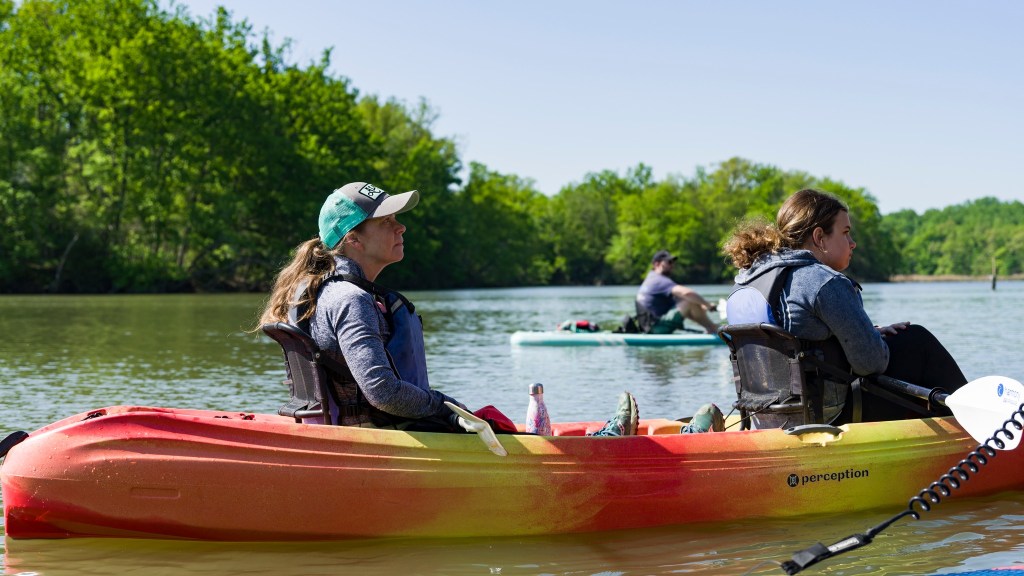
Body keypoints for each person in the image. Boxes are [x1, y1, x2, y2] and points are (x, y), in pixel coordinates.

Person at [258, 181, 639, 436]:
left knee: (481, 419)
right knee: (485, 423)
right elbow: (383, 394)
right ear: (353, 238)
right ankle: (607, 443)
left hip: (356, 434)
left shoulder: (318, 291)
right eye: (387, 221)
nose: (401, 228)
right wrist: (442, 404)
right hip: (384, 440)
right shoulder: (351, 300)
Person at [722, 188, 967, 423]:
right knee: (916, 340)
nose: (852, 243)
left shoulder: (746, 282)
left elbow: (800, 340)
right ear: (819, 237)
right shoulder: (824, 281)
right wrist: (873, 340)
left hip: (763, 416)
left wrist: (869, 333)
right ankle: (975, 430)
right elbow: (871, 364)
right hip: (825, 415)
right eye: (845, 232)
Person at [635, 250, 721, 334]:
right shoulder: (658, 280)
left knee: (689, 300)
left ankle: (711, 328)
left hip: (650, 327)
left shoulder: (651, 278)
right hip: (656, 328)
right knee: (689, 300)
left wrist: (702, 307)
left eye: (673, 262)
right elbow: (687, 293)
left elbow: (682, 306)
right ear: (656, 264)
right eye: (669, 262)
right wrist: (708, 305)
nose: (672, 265)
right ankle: (714, 329)